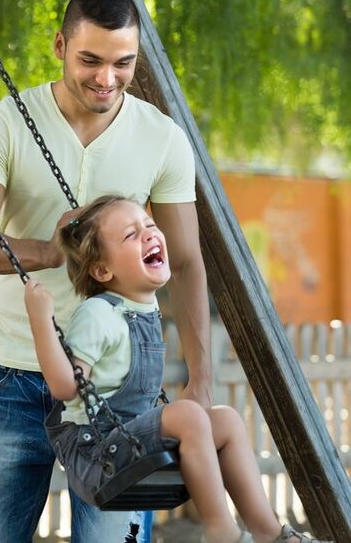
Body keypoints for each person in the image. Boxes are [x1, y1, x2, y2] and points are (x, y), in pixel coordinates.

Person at [0, 0, 211, 542]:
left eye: (123, 63)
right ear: (60, 45)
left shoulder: (162, 138)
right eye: (90, 60)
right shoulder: (6, 123)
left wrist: (202, 381)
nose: (106, 78)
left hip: (119, 387)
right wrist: (48, 250)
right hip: (13, 379)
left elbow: (185, 263)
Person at [24, 195, 331, 543]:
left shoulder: (144, 305)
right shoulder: (98, 314)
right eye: (131, 234)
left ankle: (271, 534)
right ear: (103, 271)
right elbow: (65, 387)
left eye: (149, 225)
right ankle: (221, 532)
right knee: (187, 414)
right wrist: (41, 321)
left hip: (130, 441)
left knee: (226, 420)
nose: (148, 234)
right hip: (96, 453)